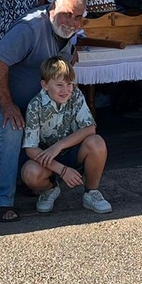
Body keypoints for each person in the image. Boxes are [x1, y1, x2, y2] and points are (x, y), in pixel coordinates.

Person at [0, 0, 85, 222]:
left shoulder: (68, 30)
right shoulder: (30, 28)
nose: (72, 21)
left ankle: (29, 181)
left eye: (78, 17)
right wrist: (7, 104)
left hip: (26, 100)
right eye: (67, 14)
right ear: (52, 9)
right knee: (11, 127)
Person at [20, 56, 112, 214]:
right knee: (29, 173)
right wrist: (62, 170)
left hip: (73, 152)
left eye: (69, 84)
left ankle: (91, 192)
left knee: (96, 142)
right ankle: (49, 189)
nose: (66, 90)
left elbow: (90, 128)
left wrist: (59, 145)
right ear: (45, 85)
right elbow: (31, 149)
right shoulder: (35, 106)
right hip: (47, 159)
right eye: (59, 85)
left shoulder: (75, 95)